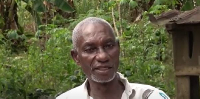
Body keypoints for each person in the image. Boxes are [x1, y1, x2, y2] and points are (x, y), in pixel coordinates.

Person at [56, 17, 170, 99]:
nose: (103, 56)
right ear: (76, 57)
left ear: (118, 48)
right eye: (90, 49)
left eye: (109, 46)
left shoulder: (149, 96)